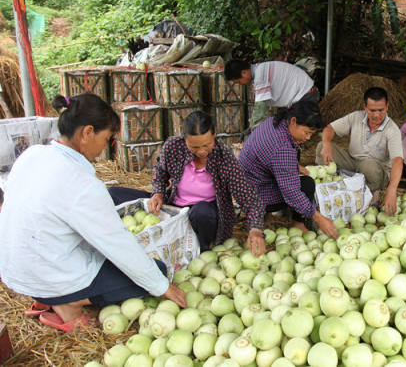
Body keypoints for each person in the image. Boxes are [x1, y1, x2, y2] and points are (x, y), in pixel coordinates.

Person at [0, 94, 185, 332]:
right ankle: (68, 302)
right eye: (106, 138)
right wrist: (163, 287)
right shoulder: (81, 183)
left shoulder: (32, 154)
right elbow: (117, 244)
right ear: (87, 132)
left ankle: (47, 296)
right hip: (48, 274)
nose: (105, 147)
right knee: (155, 273)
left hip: (15, 271)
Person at [109, 111, 266, 256]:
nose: (202, 151)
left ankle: (203, 249)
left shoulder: (224, 158)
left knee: (202, 212)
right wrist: (158, 193)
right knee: (114, 194)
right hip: (174, 208)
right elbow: (161, 172)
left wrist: (255, 228)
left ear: (214, 135)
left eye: (206, 145)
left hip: (204, 216)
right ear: (184, 139)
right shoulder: (173, 146)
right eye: (195, 146)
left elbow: (249, 198)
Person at [238, 101, 339, 239]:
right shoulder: (283, 149)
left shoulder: (274, 121)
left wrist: (293, 166)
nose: (308, 138)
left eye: (311, 134)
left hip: (246, 183)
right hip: (256, 195)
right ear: (293, 121)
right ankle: (298, 223)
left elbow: (266, 155)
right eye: (307, 132)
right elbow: (291, 192)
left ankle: (265, 215)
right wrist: (319, 218)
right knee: (307, 184)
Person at [316, 87, 403, 214]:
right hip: (353, 162)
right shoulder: (356, 117)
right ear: (365, 107)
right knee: (320, 148)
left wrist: (392, 189)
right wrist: (326, 143)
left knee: (368, 166)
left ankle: (371, 194)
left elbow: (397, 161)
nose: (377, 115)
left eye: (381, 110)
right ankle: (332, 185)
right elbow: (329, 128)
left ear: (387, 107)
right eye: (372, 110)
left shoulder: (392, 129)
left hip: (377, 171)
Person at [224, 59, 319, 129]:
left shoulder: (260, 75)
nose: (241, 84)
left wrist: (254, 133)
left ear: (244, 72)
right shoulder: (260, 69)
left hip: (306, 96)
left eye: (239, 82)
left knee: (294, 132)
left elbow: (260, 110)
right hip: (303, 96)